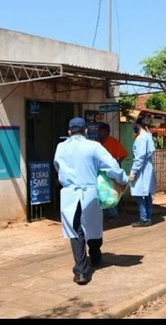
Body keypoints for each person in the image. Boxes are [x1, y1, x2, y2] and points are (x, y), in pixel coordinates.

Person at [53, 117, 128, 285]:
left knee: (75, 230)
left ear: (69, 132)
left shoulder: (60, 147)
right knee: (93, 226)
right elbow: (112, 166)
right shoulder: (94, 146)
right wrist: (123, 180)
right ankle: (95, 257)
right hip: (89, 191)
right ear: (86, 131)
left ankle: (81, 271)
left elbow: (57, 167)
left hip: (69, 194)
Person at [96, 122, 129, 221]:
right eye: (99, 131)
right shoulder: (96, 143)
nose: (100, 133)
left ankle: (112, 215)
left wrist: (117, 163)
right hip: (100, 173)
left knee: (112, 193)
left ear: (108, 132)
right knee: (102, 192)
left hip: (111, 172)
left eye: (102, 131)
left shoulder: (113, 141)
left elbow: (123, 154)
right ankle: (103, 214)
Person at [129, 116, 157, 227]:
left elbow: (140, 157)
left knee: (139, 194)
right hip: (147, 167)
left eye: (135, 125)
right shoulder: (148, 137)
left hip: (142, 169)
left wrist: (133, 171)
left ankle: (144, 218)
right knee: (147, 194)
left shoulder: (141, 138)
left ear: (138, 125)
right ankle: (148, 217)